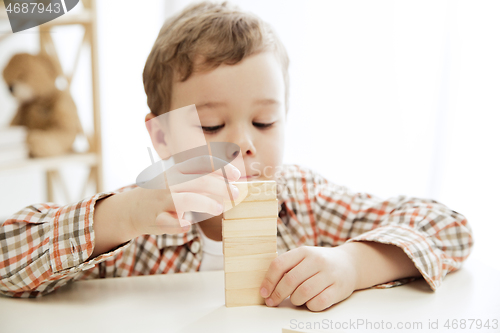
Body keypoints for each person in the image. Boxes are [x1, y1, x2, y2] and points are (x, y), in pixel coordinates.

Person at [0, 1, 473, 312]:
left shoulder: (303, 199)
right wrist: (117, 217)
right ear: (162, 138)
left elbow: (448, 226)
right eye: (210, 125)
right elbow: (6, 258)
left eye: (265, 122)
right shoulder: (138, 222)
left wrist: (354, 264)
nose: (245, 143)